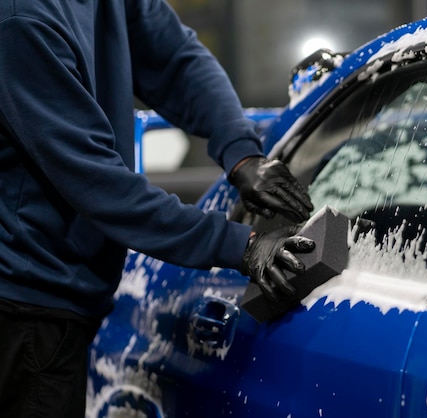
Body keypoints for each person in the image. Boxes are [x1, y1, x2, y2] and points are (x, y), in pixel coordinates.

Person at [0, 1, 314, 417]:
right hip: (25, 308)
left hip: (66, 293)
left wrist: (242, 152)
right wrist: (242, 244)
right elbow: (101, 185)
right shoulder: (20, 22)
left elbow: (175, 60)